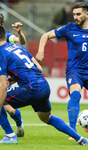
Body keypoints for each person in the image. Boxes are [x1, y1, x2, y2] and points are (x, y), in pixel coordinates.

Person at [0, 25, 88, 145]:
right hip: (44, 86)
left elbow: (3, 86)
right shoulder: (18, 47)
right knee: (46, 118)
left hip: (31, 88)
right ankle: (80, 138)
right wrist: (16, 77)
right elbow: (38, 67)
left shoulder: (0, 55)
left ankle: (9, 135)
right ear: (5, 36)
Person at [36, 2, 88, 140]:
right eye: (74, 14)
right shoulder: (69, 28)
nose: (75, 17)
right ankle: (73, 131)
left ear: (87, 14)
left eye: (78, 14)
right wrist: (40, 51)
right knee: (75, 94)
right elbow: (46, 35)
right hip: (75, 70)